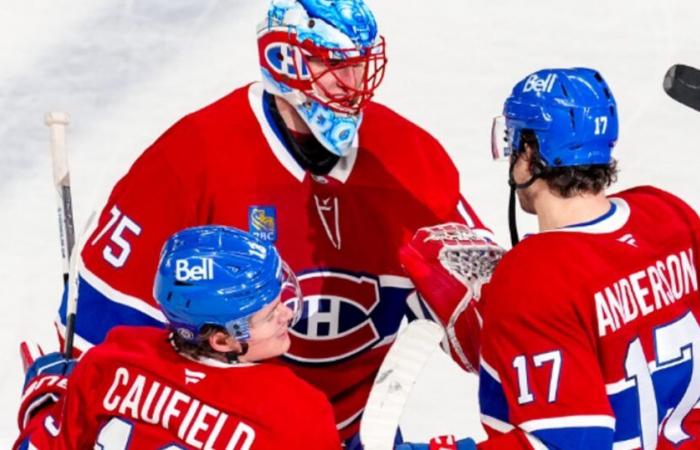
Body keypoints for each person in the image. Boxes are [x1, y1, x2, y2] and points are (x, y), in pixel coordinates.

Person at [54, 0, 491, 444]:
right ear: (284, 59)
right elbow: (101, 340)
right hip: (227, 432)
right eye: (332, 63)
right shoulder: (186, 162)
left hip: (359, 432)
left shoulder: (409, 162)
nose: (354, 84)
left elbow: (495, 336)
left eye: (360, 64)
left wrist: (484, 316)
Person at [399, 67, 700, 449]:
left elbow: (568, 443)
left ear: (529, 150)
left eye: (511, 139)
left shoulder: (532, 279)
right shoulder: (668, 214)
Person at [17, 225, 341, 449]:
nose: (286, 314)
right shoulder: (299, 414)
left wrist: (46, 405)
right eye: (270, 315)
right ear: (222, 341)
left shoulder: (112, 359)